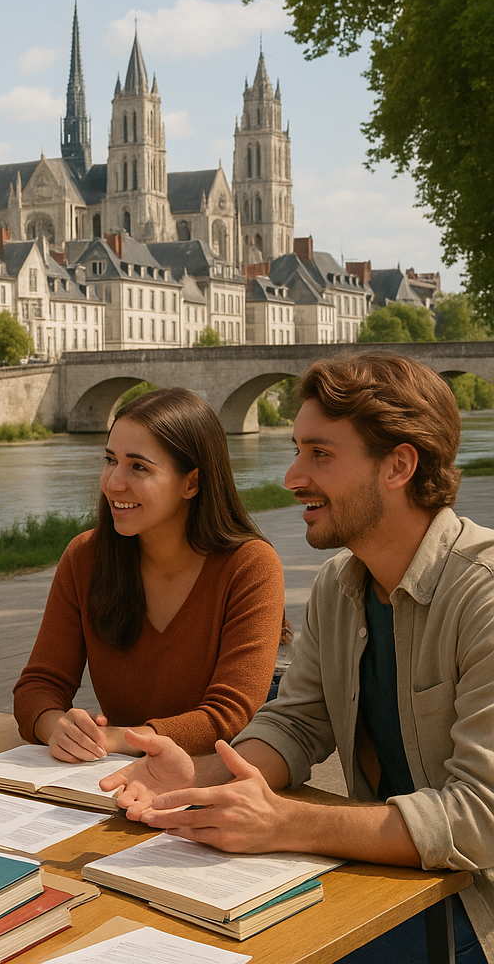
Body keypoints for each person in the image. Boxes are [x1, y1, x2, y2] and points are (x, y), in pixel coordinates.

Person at [100, 353, 494, 964]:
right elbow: (297, 722)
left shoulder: (485, 596)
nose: (291, 476)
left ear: (399, 465)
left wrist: (284, 823)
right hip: (391, 881)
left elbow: (478, 819)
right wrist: (201, 776)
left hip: (475, 904)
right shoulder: (342, 583)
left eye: (320, 454)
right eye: (296, 450)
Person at [13, 388, 285, 761]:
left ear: (191, 483)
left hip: (212, 788)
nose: (113, 483)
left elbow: (229, 717)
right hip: (112, 782)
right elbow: (38, 686)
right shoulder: (84, 557)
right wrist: (56, 726)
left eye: (138, 467)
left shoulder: (251, 566)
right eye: (110, 460)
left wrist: (115, 739)